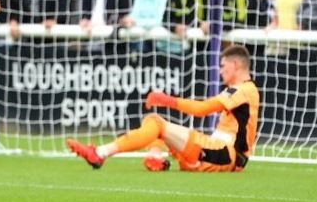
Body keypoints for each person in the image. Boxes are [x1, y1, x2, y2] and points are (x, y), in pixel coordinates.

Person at [67, 44, 260, 173]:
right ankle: (156, 158)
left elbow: (203, 109)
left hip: (226, 157)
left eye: (223, 66)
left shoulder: (245, 90)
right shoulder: (241, 90)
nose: (220, 71)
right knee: (154, 125)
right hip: (214, 153)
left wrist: (168, 100)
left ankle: (100, 153)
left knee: (156, 123)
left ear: (235, 65)